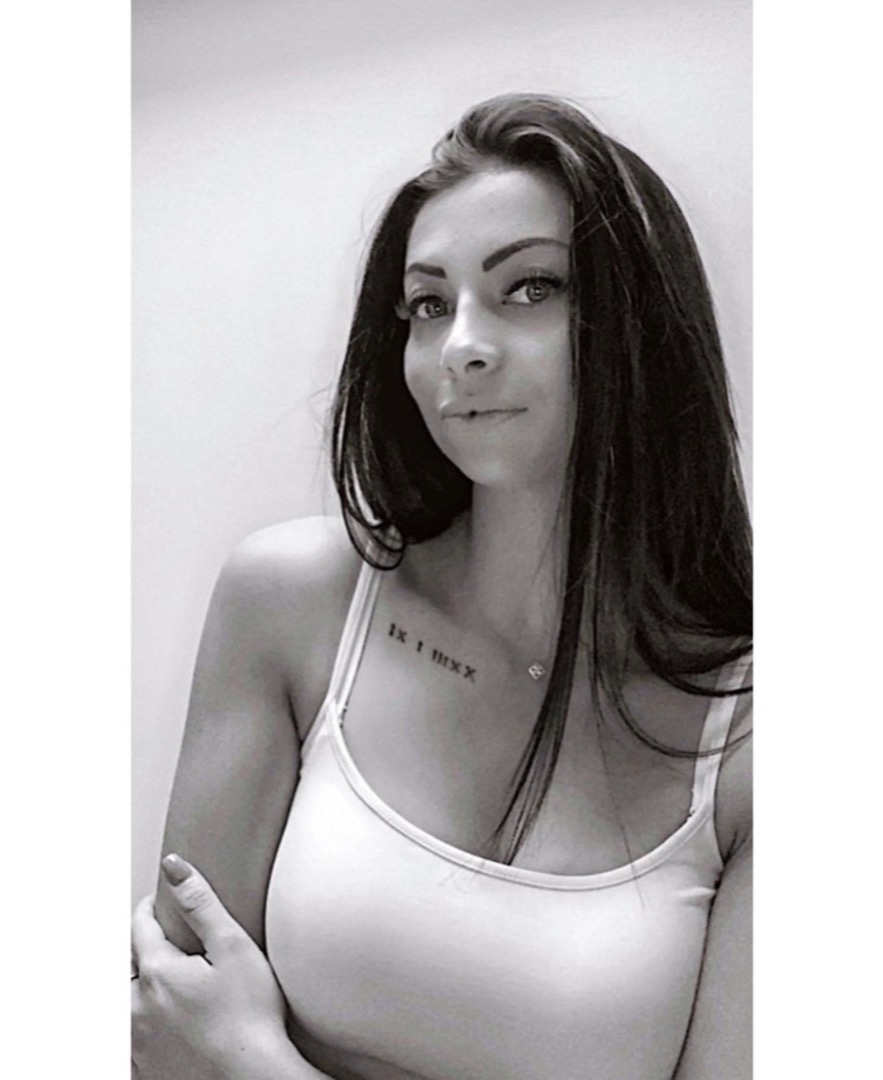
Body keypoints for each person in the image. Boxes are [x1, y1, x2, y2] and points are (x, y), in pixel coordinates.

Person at [131, 93, 753, 1080]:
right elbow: (165, 1031)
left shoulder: (750, 733)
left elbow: (213, 1055)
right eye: (428, 304)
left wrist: (258, 1065)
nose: (460, 344)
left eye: (529, 288)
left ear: (642, 323)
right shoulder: (290, 604)